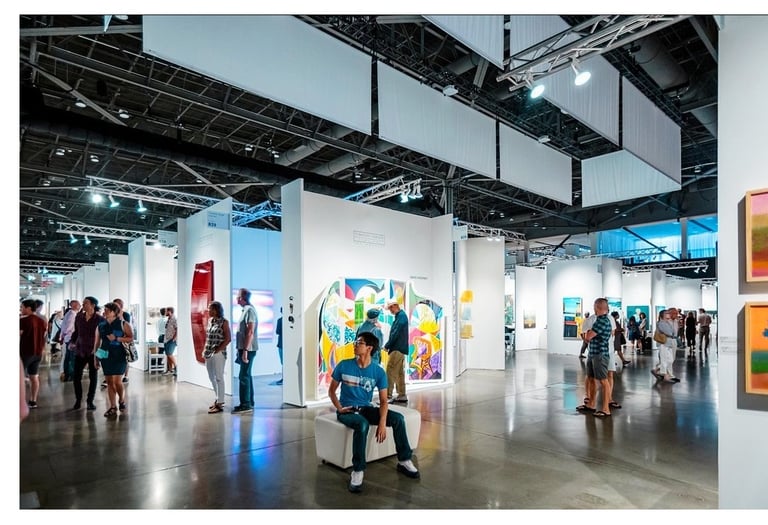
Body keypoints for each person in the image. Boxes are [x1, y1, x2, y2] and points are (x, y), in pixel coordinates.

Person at [327, 331, 420, 493]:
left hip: (366, 408)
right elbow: (331, 391)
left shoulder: (378, 372)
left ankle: (404, 460)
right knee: (361, 424)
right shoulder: (344, 365)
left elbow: (383, 401)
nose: (355, 345)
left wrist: (382, 423)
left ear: (369, 348)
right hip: (347, 410)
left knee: (398, 419)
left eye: (359, 343)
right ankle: (358, 470)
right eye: (356, 342)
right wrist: (339, 408)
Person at [576, 298, 612, 418]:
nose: (593, 309)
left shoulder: (602, 321)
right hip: (593, 353)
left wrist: (588, 333)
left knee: (603, 381)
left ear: (598, 307)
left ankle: (606, 409)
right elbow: (589, 336)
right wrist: (589, 333)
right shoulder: (599, 320)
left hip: (600, 355)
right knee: (591, 378)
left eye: (594, 306)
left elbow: (588, 337)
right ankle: (591, 404)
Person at [96, 302, 133, 417]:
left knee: (117, 381)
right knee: (109, 382)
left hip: (119, 355)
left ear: (113, 312)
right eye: (105, 310)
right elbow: (97, 343)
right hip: (105, 355)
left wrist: (117, 338)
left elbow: (131, 338)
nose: (104, 312)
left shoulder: (123, 324)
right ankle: (112, 406)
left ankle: (121, 400)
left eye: (107, 310)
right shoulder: (101, 325)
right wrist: (95, 358)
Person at [71, 296, 104, 411]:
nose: (83, 305)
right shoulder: (79, 317)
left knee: (93, 377)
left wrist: (100, 355)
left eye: (85, 303)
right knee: (76, 377)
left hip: (93, 351)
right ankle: (78, 399)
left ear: (93, 305)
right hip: (80, 350)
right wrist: (72, 342)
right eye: (83, 303)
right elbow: (76, 331)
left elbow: (103, 338)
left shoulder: (100, 319)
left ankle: (90, 401)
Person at [233, 288, 258, 414]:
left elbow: (250, 331)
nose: (236, 298)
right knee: (246, 374)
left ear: (242, 298)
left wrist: (245, 350)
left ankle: (245, 404)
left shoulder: (249, 310)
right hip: (244, 348)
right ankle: (249, 402)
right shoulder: (245, 310)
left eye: (238, 296)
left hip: (248, 349)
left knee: (243, 375)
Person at [203, 301, 231, 414]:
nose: (208, 310)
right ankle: (217, 398)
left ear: (216, 310)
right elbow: (208, 337)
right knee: (211, 377)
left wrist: (218, 349)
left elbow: (228, 338)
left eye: (210, 308)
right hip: (208, 352)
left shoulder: (224, 322)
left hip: (218, 353)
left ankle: (220, 403)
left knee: (219, 377)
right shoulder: (210, 321)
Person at [20, 298, 47, 409]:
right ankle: (33, 401)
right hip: (37, 353)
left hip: (26, 352)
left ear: (28, 308)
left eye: (22, 307)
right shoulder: (41, 321)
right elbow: (44, 335)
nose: (21, 309)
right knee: (34, 376)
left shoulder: (23, 321)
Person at [383, 299, 409, 404]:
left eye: (390, 308)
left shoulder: (401, 317)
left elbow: (395, 333)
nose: (390, 310)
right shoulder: (401, 316)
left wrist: (387, 345)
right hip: (401, 349)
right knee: (399, 373)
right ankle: (402, 395)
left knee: (390, 371)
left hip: (397, 348)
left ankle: (387, 396)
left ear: (395, 306)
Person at [653, 308, 680, 383]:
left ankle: (661, 372)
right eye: (674, 313)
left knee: (671, 359)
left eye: (676, 313)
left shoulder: (675, 321)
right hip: (665, 341)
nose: (676, 315)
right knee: (666, 359)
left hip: (672, 340)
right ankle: (666, 375)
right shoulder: (663, 322)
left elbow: (675, 332)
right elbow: (669, 332)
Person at [59, 300, 80, 382]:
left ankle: (67, 374)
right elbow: (69, 327)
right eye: (78, 304)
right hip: (71, 338)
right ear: (74, 305)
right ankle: (71, 375)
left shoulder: (68, 313)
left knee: (68, 358)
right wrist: (66, 334)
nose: (80, 306)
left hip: (67, 338)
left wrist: (63, 335)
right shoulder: (73, 314)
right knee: (72, 358)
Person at [113, 298, 132, 384]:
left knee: (125, 359)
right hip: (114, 340)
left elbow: (126, 325)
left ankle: (126, 376)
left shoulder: (126, 315)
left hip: (123, 340)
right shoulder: (112, 314)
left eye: (116, 305)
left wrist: (120, 315)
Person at [164, 306, 178, 376]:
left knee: (169, 354)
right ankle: (170, 370)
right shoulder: (168, 319)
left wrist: (174, 339)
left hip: (171, 340)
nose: (165, 312)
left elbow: (177, 329)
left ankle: (176, 367)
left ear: (170, 311)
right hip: (166, 340)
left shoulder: (174, 319)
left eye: (166, 311)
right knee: (168, 355)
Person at [274, 308, 283, 386]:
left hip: (281, 344)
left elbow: (277, 331)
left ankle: (284, 378)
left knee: (283, 362)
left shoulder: (280, 320)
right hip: (283, 344)